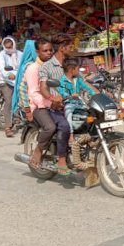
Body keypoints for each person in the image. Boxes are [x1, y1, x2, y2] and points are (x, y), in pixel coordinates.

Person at [11, 39, 58, 170]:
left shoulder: (54, 66)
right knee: (50, 127)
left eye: (50, 50)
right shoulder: (32, 68)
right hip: (38, 105)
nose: (49, 53)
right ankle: (38, 151)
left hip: (53, 101)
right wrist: (28, 111)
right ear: (37, 52)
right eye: (45, 50)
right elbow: (29, 91)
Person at [39, 38, 75, 175]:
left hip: (73, 104)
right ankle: (61, 158)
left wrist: (97, 90)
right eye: (70, 46)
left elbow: (82, 79)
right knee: (65, 126)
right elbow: (43, 87)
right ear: (62, 48)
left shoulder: (70, 64)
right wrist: (52, 98)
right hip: (55, 107)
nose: (72, 49)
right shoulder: (46, 67)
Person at [58, 58, 97, 143]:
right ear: (71, 69)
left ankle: (89, 134)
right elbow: (62, 93)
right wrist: (70, 95)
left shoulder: (78, 79)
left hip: (80, 103)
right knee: (68, 112)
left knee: (91, 113)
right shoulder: (62, 81)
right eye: (77, 68)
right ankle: (71, 135)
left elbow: (85, 87)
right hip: (69, 103)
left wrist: (94, 93)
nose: (79, 70)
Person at [0, 36, 23, 138]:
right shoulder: (1, 55)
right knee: (9, 101)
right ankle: (7, 127)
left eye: (11, 46)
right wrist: (9, 75)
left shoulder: (19, 54)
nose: (9, 48)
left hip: (19, 79)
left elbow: (24, 65)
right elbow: (2, 68)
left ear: (14, 44)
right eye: (7, 47)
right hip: (7, 81)